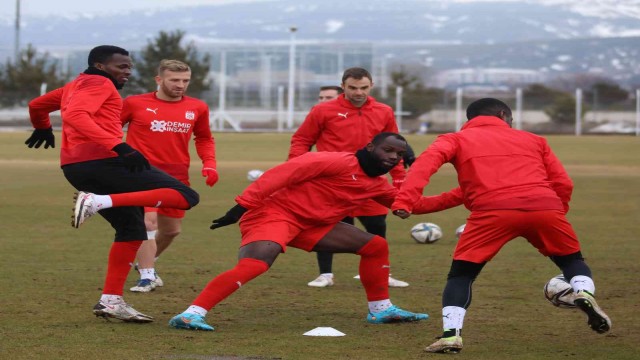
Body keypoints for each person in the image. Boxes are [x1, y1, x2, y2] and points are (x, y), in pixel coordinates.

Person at [391, 98, 612, 354]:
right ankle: (583, 292)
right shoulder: (534, 140)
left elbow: (423, 167)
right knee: (572, 262)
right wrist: (555, 211)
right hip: (544, 206)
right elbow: (563, 182)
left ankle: (451, 336)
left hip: (492, 212)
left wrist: (405, 201)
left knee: (462, 275)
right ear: (503, 114)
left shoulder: (454, 139)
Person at [169, 133, 435, 331]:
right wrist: (240, 207)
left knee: (375, 246)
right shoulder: (336, 161)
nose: (393, 157)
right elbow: (282, 174)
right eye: (388, 150)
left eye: (399, 155)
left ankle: (380, 310)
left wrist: (463, 196)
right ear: (370, 147)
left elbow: (413, 205)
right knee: (255, 265)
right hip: (274, 215)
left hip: (311, 225)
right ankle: (191, 314)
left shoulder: (378, 185)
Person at [26, 45, 200, 323]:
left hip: (75, 167)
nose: (128, 71)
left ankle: (110, 301)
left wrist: (42, 125)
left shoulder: (75, 85)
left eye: (129, 66)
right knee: (186, 195)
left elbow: (37, 105)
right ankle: (98, 201)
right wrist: (118, 146)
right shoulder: (99, 83)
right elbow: (75, 116)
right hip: (102, 163)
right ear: (100, 65)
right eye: (121, 66)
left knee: (132, 229)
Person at [290, 68, 410, 289]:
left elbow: (396, 147)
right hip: (333, 183)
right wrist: (296, 169)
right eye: (353, 87)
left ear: (371, 85)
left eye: (363, 87)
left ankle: (382, 274)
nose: (358, 92)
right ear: (343, 86)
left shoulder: (384, 111)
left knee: (377, 226)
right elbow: (301, 140)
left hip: (371, 182)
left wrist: (400, 179)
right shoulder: (322, 111)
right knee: (328, 228)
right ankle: (325, 274)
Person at [121, 59, 218, 293]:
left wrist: (210, 164)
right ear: (159, 80)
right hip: (141, 173)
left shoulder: (197, 107)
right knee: (147, 222)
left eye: (185, 80)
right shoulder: (134, 103)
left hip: (176, 175)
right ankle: (146, 277)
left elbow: (204, 138)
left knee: (172, 230)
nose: (180, 85)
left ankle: (147, 264)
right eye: (174, 80)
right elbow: (110, 129)